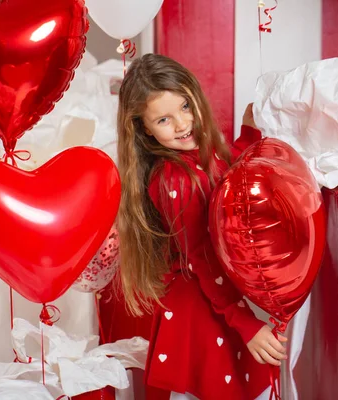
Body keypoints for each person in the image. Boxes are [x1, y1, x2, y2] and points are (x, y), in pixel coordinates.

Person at [117, 53, 287, 400]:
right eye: (164, 119)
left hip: (219, 298)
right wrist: (247, 325)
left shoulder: (200, 157)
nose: (182, 124)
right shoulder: (174, 180)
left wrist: (249, 132)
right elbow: (203, 260)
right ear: (144, 128)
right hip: (205, 307)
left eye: (185, 106)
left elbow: (226, 178)